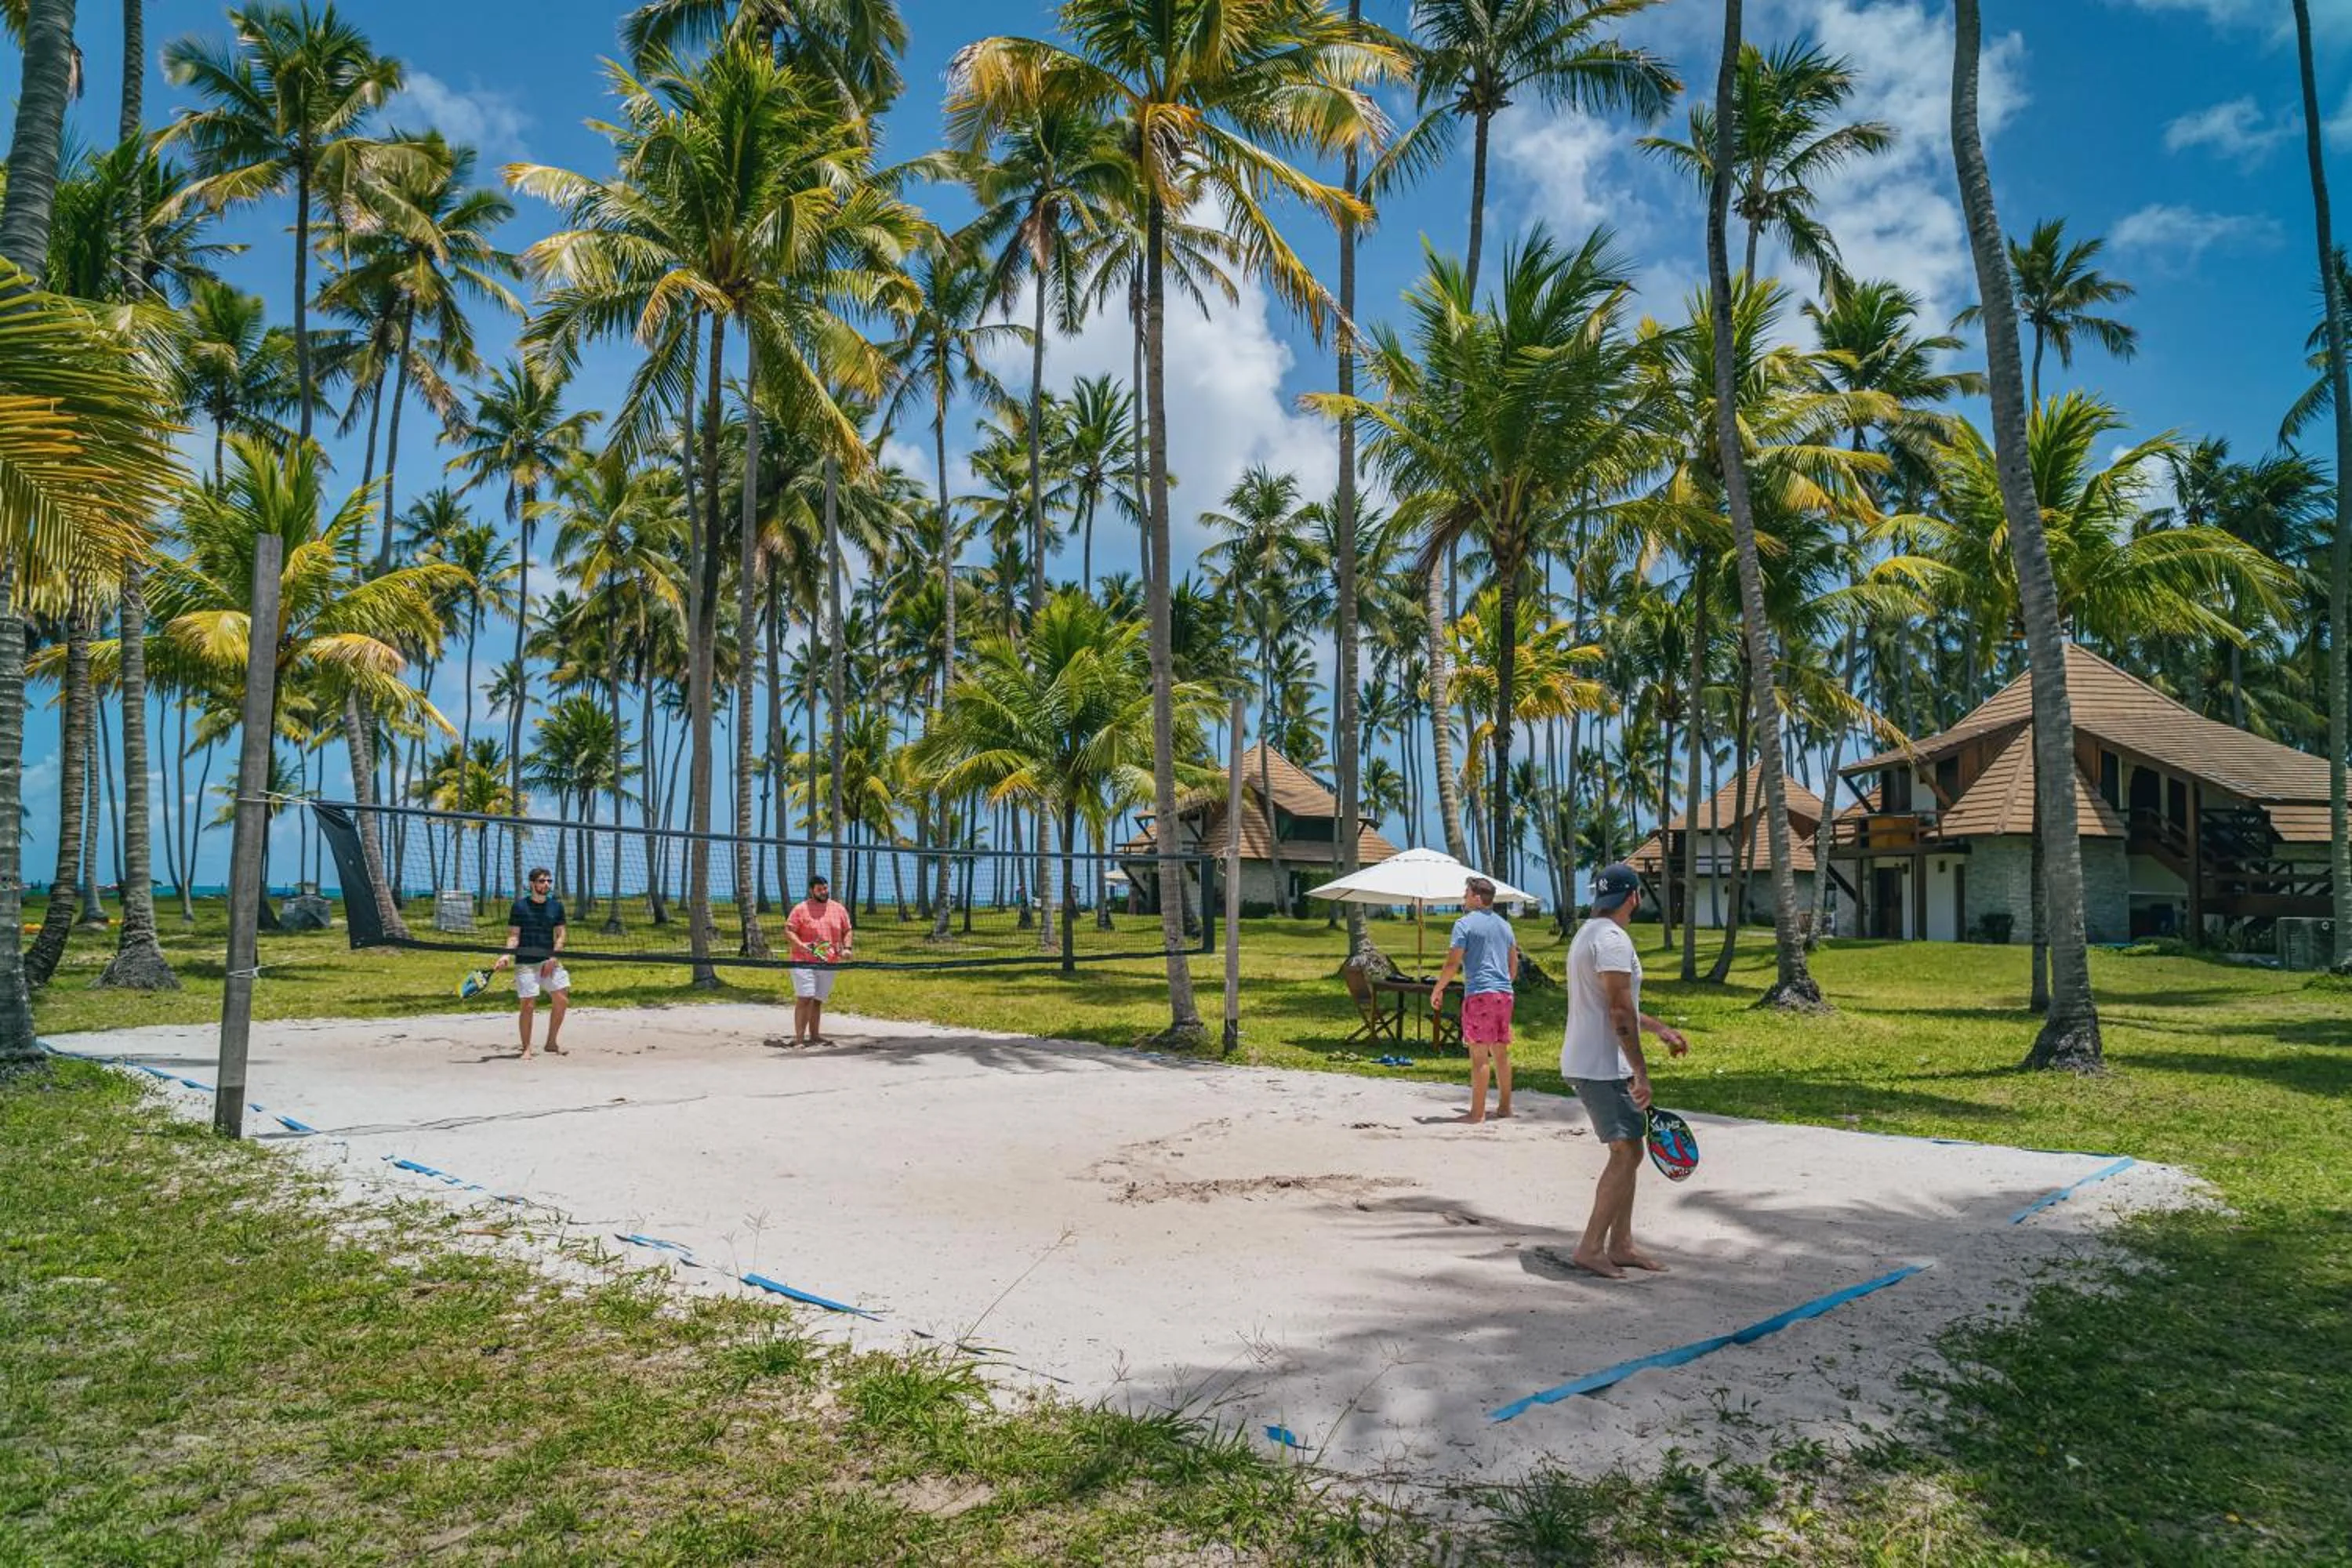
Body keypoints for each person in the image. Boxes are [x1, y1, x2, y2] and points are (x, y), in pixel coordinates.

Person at [1562, 862, 1689, 1279]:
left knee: (1630, 1147)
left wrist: (1659, 1029)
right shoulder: (1613, 941)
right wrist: (1641, 1071)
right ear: (1634, 896)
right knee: (1627, 1152)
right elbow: (1618, 1011)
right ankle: (1591, 1247)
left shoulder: (1589, 933)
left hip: (1592, 1060)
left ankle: (1621, 1244)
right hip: (1602, 1065)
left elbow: (1617, 1006)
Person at [1429, 876, 1519, 1123]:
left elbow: (1452, 964)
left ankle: (1476, 1114)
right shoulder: (1505, 926)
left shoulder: (1464, 924)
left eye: (1466, 893)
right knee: (1500, 1052)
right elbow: (1513, 966)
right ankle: (1505, 1108)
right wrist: (1503, 986)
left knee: (1479, 1055)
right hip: (1504, 994)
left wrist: (1438, 989)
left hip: (1480, 994)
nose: (1463, 897)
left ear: (1477, 898)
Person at [494, 866, 568, 1059]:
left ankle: (551, 1043)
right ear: (532, 884)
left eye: (549, 881)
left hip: (549, 959)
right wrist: (505, 956)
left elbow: (561, 936)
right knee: (527, 1005)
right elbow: (513, 936)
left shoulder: (556, 907)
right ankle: (526, 1048)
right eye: (542, 881)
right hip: (526, 962)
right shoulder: (519, 907)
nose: (546, 884)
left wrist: (553, 958)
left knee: (562, 998)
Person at [786, 871, 854, 1044]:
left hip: (828, 962)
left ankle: (815, 1036)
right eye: (819, 889)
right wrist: (801, 945)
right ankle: (799, 1039)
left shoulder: (838, 908)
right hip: (803, 961)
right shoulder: (801, 909)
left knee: (817, 1000)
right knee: (805, 997)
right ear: (811, 891)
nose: (824, 892)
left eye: (825, 888)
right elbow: (789, 930)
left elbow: (847, 930)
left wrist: (847, 948)